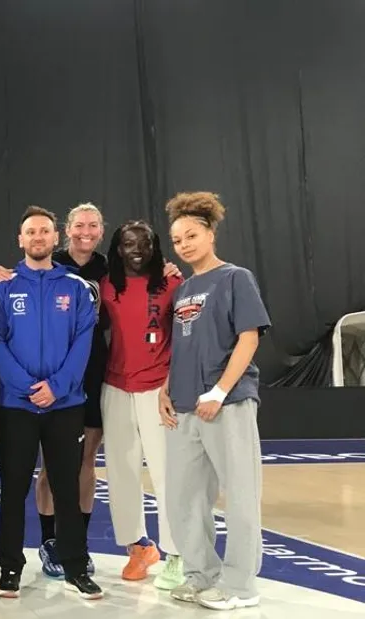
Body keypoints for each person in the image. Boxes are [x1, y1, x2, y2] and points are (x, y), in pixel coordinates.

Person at [0, 203, 179, 578]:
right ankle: (51, 542)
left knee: (84, 465)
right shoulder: (43, 265)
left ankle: (81, 544)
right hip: (51, 386)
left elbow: (147, 286)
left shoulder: (110, 270)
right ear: (66, 230)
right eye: (79, 225)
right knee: (48, 470)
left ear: (100, 231)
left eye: (93, 225)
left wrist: (169, 268)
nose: (85, 231)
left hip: (87, 379)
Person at [159, 192, 269, 611]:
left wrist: (220, 390)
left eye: (191, 235)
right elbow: (184, 345)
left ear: (210, 232)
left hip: (228, 404)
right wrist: (167, 388)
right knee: (184, 498)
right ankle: (200, 575)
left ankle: (241, 586)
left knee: (240, 495)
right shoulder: (185, 288)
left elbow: (249, 337)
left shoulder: (234, 277)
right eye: (177, 239)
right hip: (185, 406)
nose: (184, 244)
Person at [0, 205, 103, 600]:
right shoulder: (2, 290)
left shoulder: (75, 287)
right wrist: (25, 387)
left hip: (65, 404)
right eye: (30, 232)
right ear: (20, 240)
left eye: (44, 232)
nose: (38, 237)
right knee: (14, 487)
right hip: (17, 406)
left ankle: (74, 565)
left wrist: (57, 386)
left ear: (56, 238)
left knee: (66, 488)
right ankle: (10, 568)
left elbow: (83, 341)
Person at [99, 221, 185, 589]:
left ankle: (177, 554)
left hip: (159, 391)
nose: (137, 249)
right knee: (121, 472)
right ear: (117, 249)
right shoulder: (106, 286)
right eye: (128, 243)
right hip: (115, 386)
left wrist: (171, 385)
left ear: (155, 246)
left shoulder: (172, 283)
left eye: (144, 242)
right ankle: (139, 547)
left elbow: (185, 338)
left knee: (168, 474)